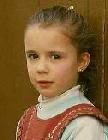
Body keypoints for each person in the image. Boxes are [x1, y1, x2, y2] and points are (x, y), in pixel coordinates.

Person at [16, 5, 108, 140]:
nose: (41, 68)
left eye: (55, 56)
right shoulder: (27, 119)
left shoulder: (85, 126)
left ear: (81, 61)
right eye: (33, 56)